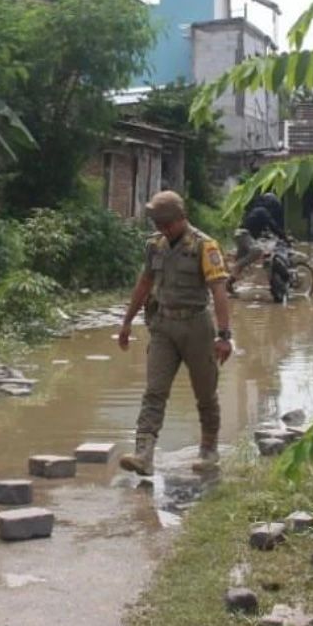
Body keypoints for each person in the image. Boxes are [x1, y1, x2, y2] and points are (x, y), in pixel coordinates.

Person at [116, 190, 233, 476]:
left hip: (197, 328)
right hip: (163, 326)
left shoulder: (205, 246)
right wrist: (127, 321)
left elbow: (219, 291)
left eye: (167, 223)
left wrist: (224, 335)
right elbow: (144, 284)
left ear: (181, 219)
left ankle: (208, 450)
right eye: (158, 224)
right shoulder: (155, 246)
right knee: (154, 391)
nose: (163, 229)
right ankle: (144, 453)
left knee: (205, 393)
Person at [228, 192, 288, 289]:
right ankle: (236, 267)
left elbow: (262, 229)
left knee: (242, 260)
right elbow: (273, 226)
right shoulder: (262, 211)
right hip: (244, 234)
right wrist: (284, 237)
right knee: (257, 251)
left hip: (242, 235)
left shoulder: (257, 211)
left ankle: (228, 284)